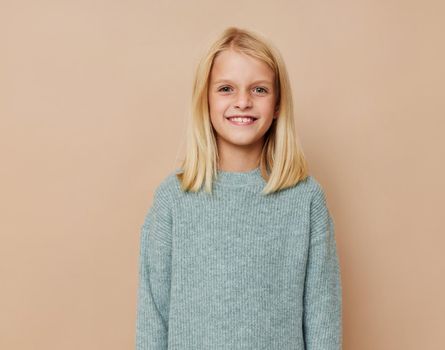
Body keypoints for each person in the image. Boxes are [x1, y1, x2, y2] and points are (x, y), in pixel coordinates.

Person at [135, 26, 342, 350]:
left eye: (259, 90)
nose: (243, 102)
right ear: (204, 99)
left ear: (277, 105)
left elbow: (322, 320)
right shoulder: (173, 200)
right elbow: (153, 317)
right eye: (226, 88)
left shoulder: (306, 200)